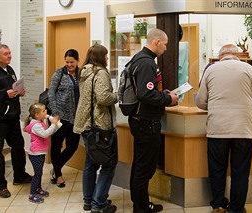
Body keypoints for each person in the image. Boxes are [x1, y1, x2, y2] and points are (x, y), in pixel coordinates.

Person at [195, 44, 252, 213]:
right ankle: (236, 208)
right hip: (243, 129)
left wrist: (214, 105)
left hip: (217, 128)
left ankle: (219, 204)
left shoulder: (210, 70)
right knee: (240, 171)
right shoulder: (248, 69)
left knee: (217, 169)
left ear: (220, 56)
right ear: (238, 56)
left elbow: (200, 101)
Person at [128, 28, 179, 213]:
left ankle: (139, 203)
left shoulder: (139, 59)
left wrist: (161, 94)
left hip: (140, 120)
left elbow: (146, 90)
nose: (166, 48)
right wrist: (168, 99)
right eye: (165, 44)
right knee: (144, 168)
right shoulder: (146, 62)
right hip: (146, 123)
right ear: (157, 42)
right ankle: (141, 208)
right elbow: (145, 93)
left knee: (140, 165)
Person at [0, 44, 32, 198]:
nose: (9, 56)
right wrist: (4, 95)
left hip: (13, 117)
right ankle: (0, 185)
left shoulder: (9, 70)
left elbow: (11, 90)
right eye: (6, 54)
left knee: (18, 146)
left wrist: (18, 92)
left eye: (10, 53)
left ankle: (19, 175)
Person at [73, 44, 118, 213]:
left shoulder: (84, 72)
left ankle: (88, 199)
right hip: (100, 124)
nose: (107, 59)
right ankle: (98, 203)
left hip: (86, 124)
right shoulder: (101, 73)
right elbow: (103, 98)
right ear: (101, 57)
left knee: (90, 162)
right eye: (106, 56)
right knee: (108, 163)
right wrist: (118, 95)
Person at [48, 49, 81, 188]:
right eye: (67, 62)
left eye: (72, 62)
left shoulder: (81, 74)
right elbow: (51, 93)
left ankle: (55, 168)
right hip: (60, 117)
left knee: (72, 146)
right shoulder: (59, 73)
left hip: (76, 118)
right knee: (56, 145)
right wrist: (55, 113)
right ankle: (58, 175)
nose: (69, 64)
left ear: (77, 61)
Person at [24, 103, 60, 203]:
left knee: (39, 173)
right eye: (44, 111)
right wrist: (53, 124)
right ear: (37, 115)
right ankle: (32, 194)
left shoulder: (40, 122)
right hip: (36, 154)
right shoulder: (36, 125)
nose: (46, 112)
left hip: (40, 153)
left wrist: (55, 126)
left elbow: (49, 131)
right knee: (37, 174)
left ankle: (38, 189)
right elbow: (45, 134)